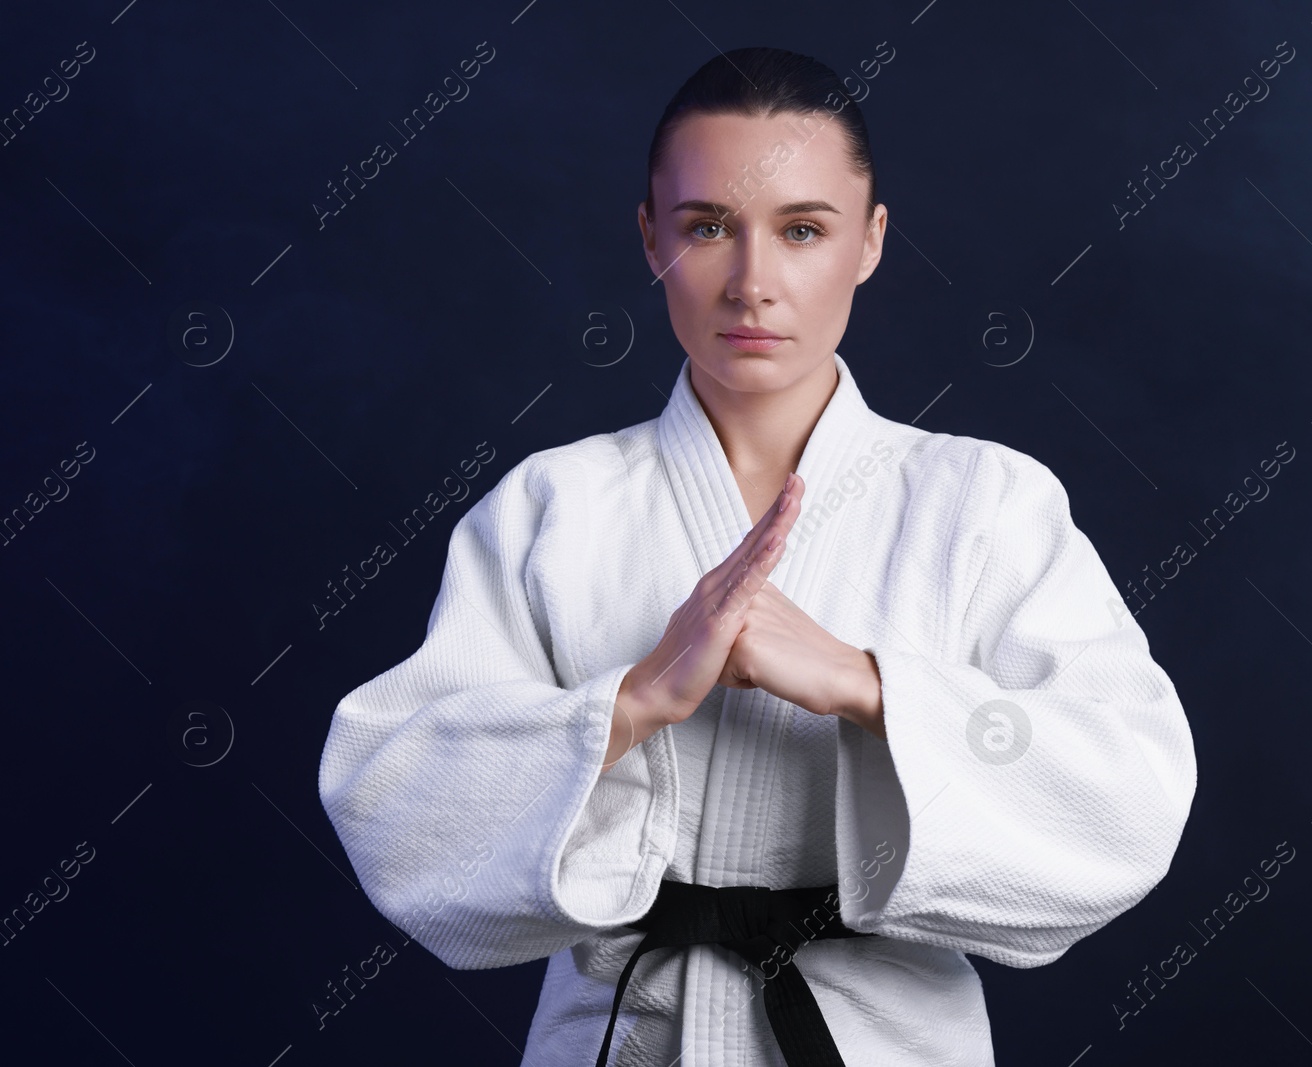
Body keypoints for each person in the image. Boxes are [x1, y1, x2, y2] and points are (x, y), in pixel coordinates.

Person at [317, 46, 1198, 1067]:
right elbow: (392, 797)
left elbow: (1126, 791)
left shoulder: (983, 504)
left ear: (868, 242)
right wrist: (634, 697)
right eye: (705, 228)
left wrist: (869, 686)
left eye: (802, 230)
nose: (751, 283)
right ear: (650, 238)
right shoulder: (551, 504)